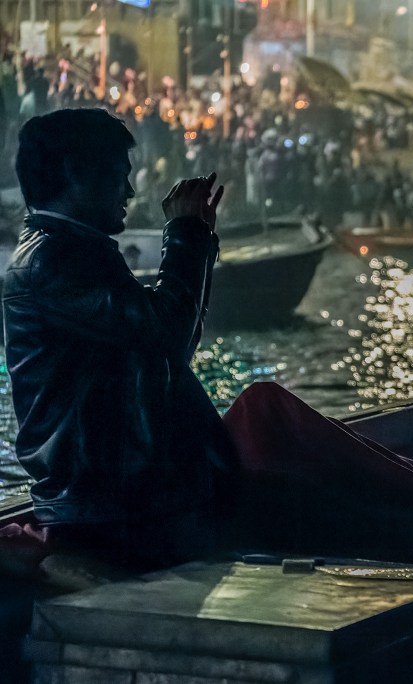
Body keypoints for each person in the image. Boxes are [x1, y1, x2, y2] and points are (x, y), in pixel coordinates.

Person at [3, 108, 235, 572]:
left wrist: (196, 237)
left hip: (132, 502)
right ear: (74, 172)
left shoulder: (76, 249)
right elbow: (168, 334)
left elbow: (170, 345)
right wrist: (187, 235)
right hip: (107, 511)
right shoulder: (52, 260)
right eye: (118, 174)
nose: (128, 191)